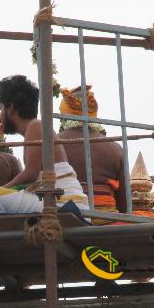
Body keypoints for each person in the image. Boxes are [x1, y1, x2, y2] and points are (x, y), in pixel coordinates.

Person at [0, 75, 89, 214]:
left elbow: (31, 174)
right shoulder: (34, 128)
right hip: (60, 201)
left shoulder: (35, 126)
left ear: (10, 108)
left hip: (65, 203)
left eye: (1, 108)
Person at [57, 85, 128, 219]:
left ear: (64, 114)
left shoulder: (52, 144)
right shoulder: (115, 148)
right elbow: (125, 205)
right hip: (107, 222)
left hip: (65, 219)